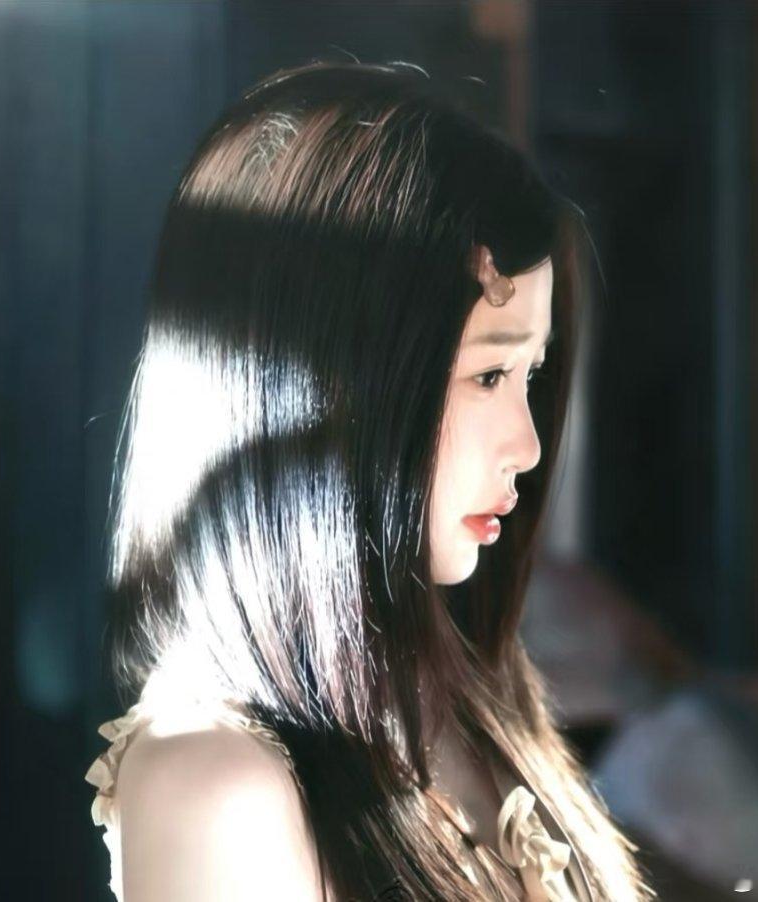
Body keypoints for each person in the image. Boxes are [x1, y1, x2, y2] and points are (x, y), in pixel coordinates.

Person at [84, 60, 655, 902]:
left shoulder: (472, 695)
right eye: (489, 376)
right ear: (327, 389)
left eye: (530, 376)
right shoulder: (215, 785)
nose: (529, 447)